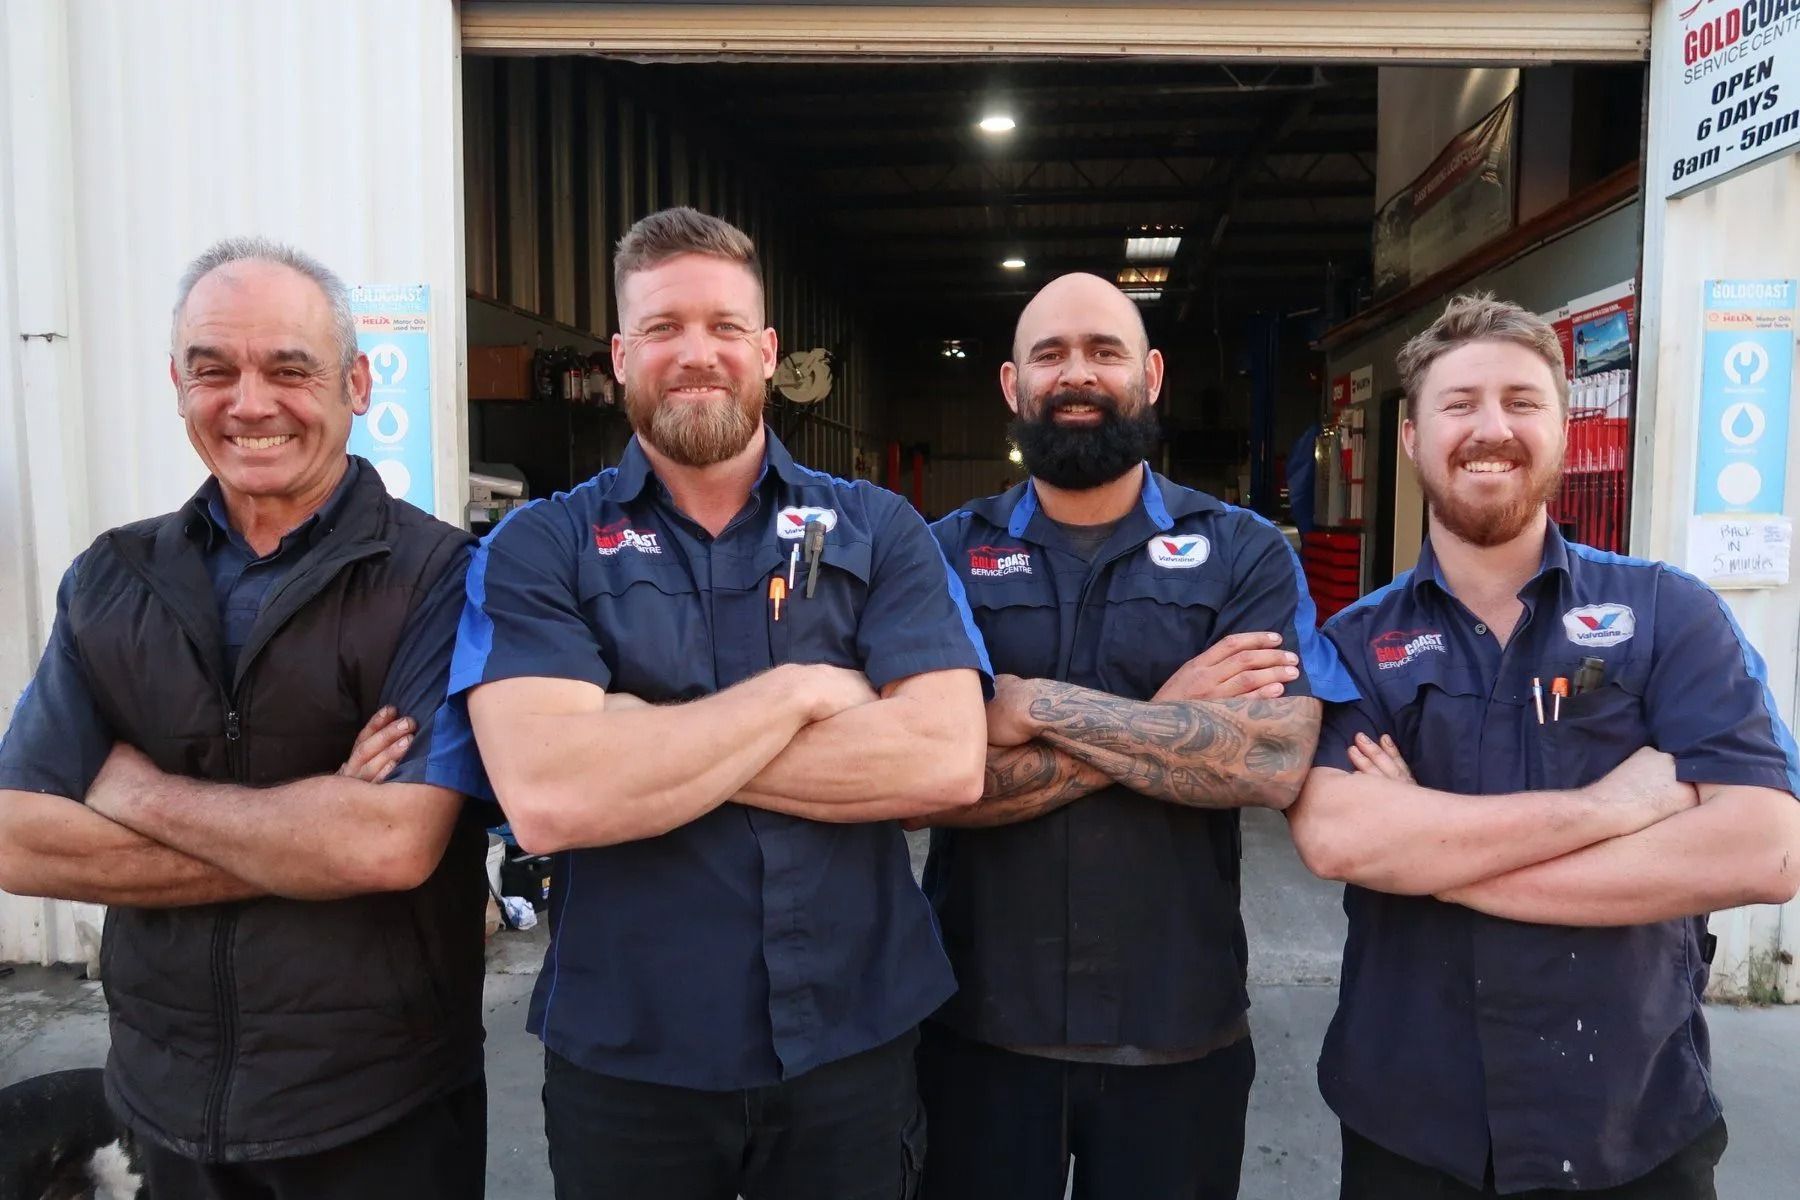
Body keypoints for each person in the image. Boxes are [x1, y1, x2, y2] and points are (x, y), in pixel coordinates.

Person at [444, 207, 990, 1200]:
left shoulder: (879, 528)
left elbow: (944, 759)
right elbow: (554, 798)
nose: (697, 355)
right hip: (631, 1058)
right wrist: (803, 691)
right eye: (663, 329)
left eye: (725, 327)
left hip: (852, 1045)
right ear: (619, 355)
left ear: (769, 351)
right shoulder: (540, 546)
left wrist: (636, 735)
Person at [0, 239, 487, 1198]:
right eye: (212, 370)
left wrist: (131, 790)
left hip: (377, 1108)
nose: (250, 402)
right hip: (165, 1101)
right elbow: (18, 843)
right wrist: (305, 837)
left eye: (289, 369)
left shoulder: (439, 576)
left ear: (356, 382)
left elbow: (386, 850)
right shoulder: (113, 579)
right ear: (176, 386)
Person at [1287, 292, 1800, 1198]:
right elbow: (1340, 839)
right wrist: (1611, 811)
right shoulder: (1355, 646)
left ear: (1563, 430)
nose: (1493, 428)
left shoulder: (1667, 615)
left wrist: (1427, 851)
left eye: (1523, 403)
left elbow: (1765, 847)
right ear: (1411, 440)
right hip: (1415, 1127)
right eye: (1460, 404)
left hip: (1629, 1124)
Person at [916, 271, 1358, 1200]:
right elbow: (932, 772)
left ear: (1150, 375)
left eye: (1104, 351)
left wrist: (1030, 706)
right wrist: (1173, 724)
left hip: (1177, 1028)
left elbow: (1274, 758)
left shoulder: (1243, 550)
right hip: (978, 1028)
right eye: (1051, 354)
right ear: (1012, 386)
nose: (1078, 374)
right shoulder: (942, 554)